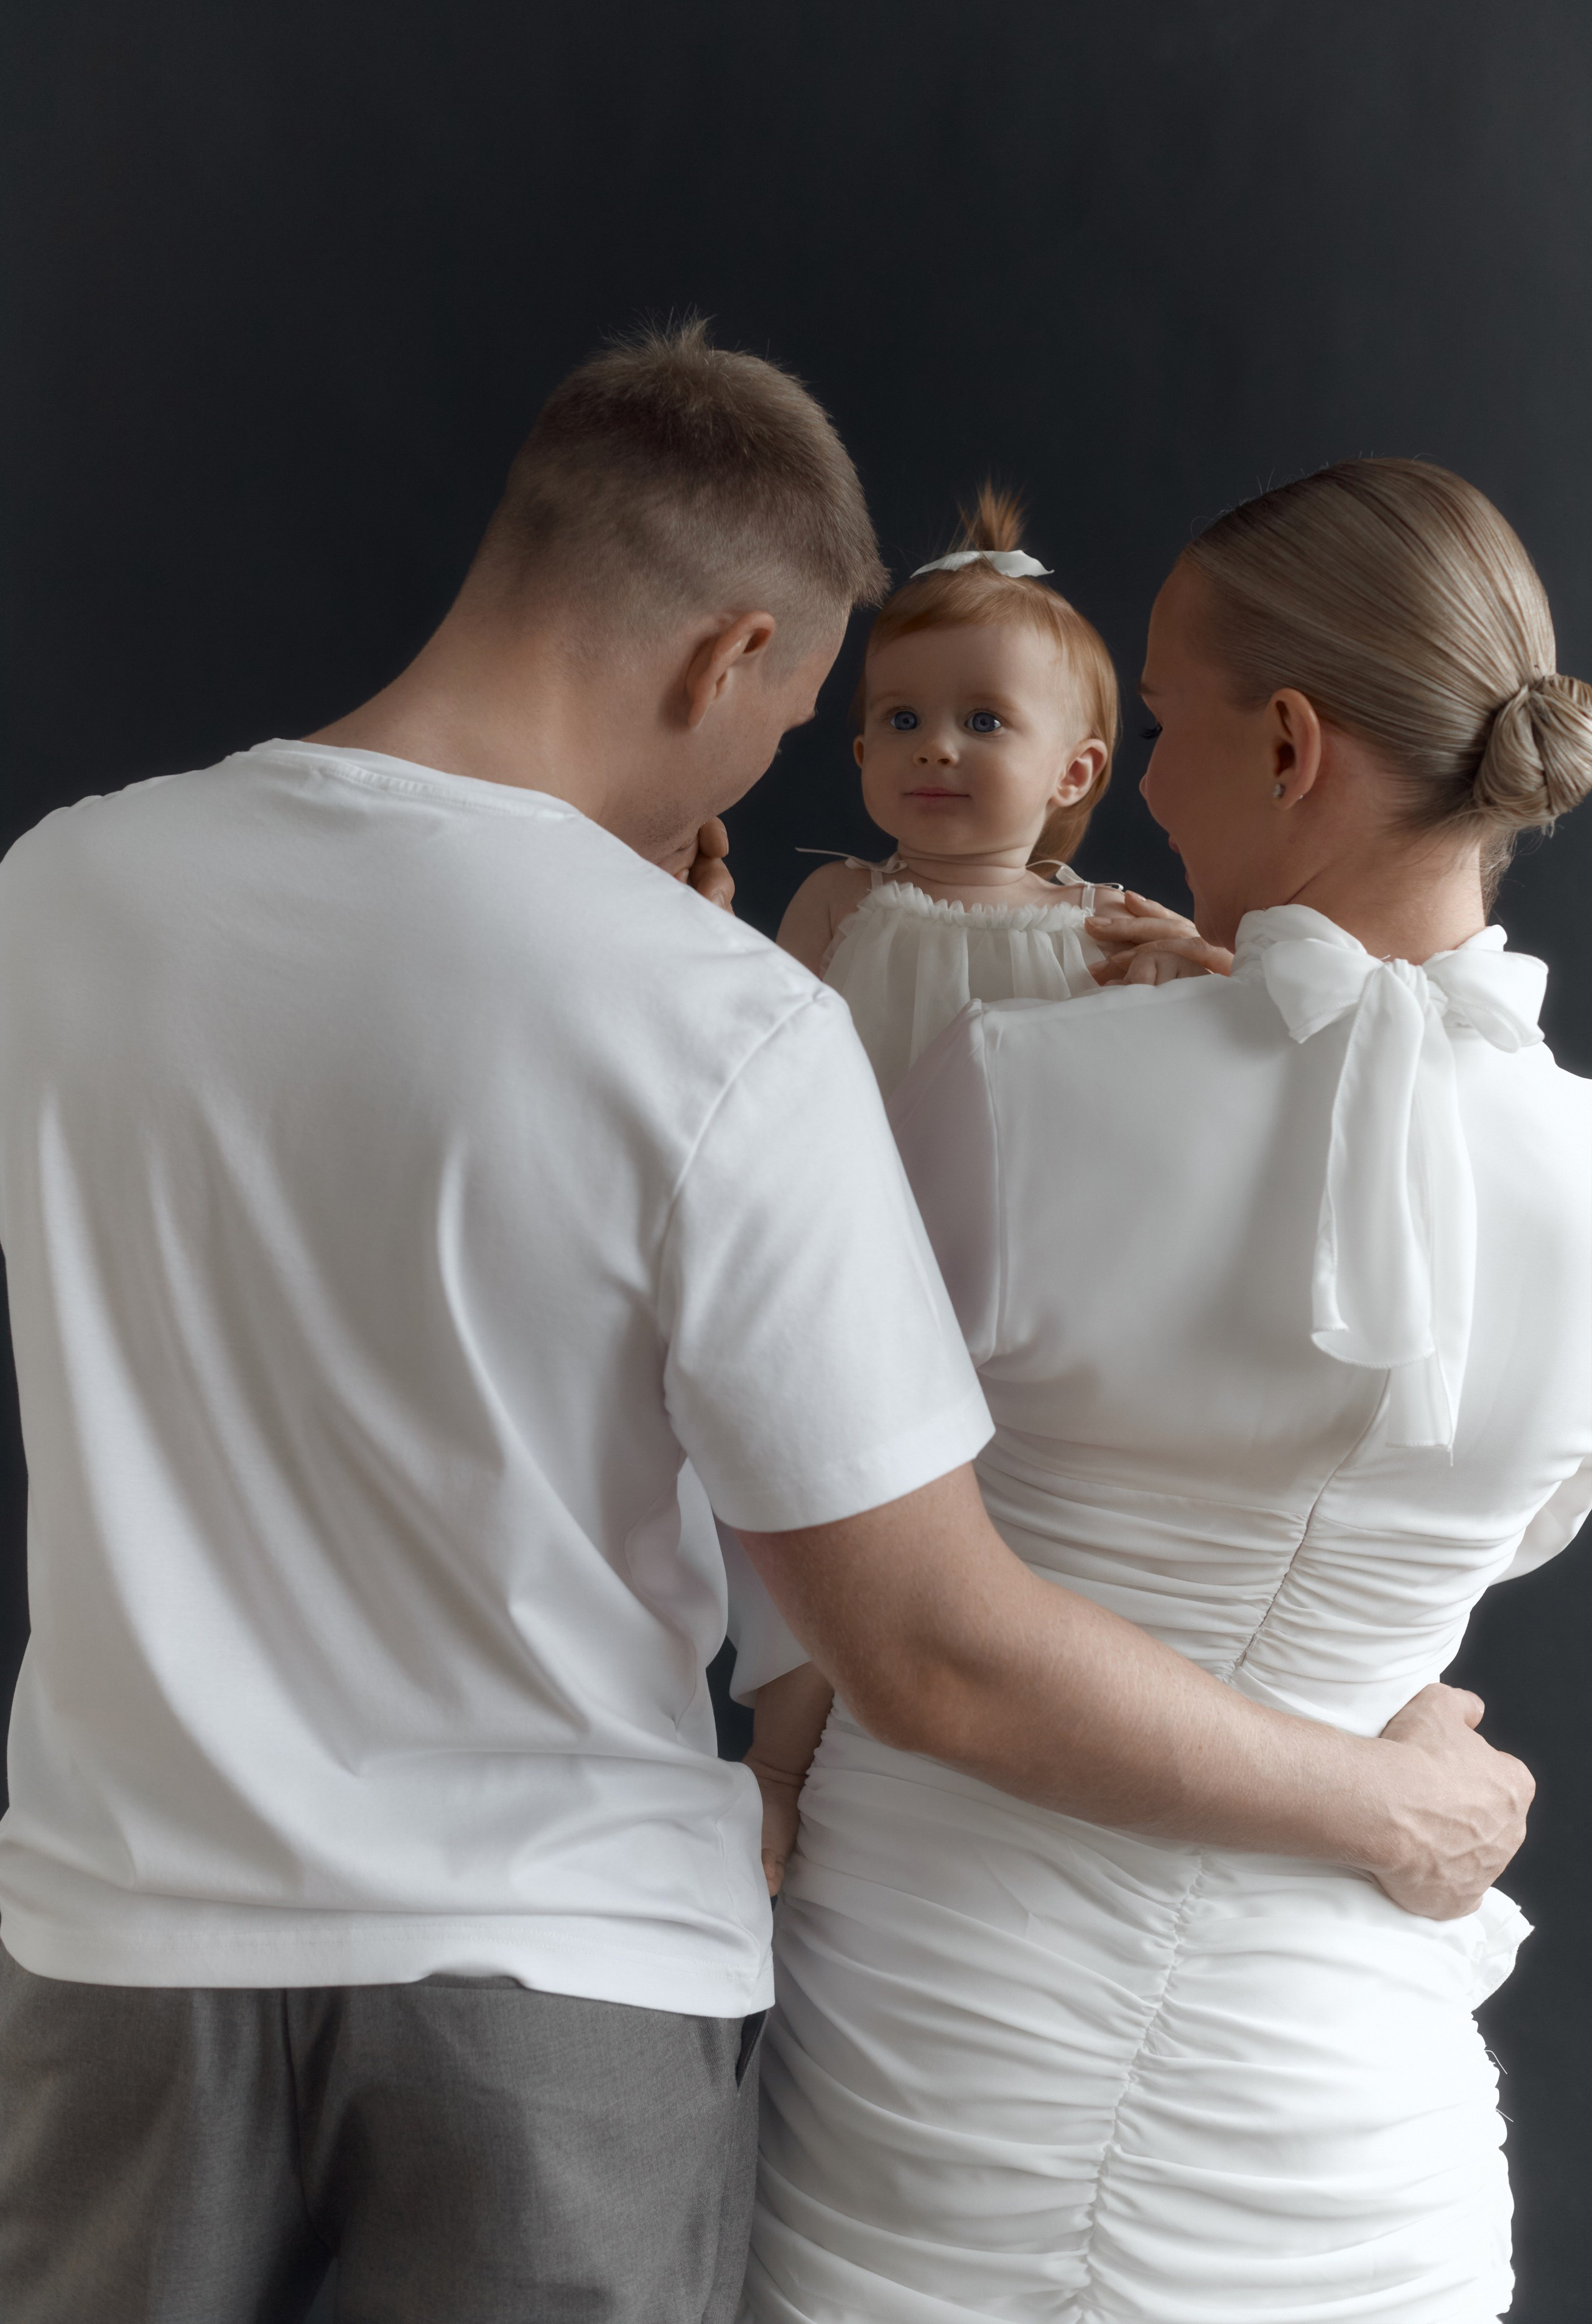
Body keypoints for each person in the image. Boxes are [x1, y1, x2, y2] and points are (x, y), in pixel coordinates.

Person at [0, 327, 1530, 2324]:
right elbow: (922, 1641)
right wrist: (1380, 1799)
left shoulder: (59, 888)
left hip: (111, 1938)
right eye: (808, 710)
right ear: (729, 659)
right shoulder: (719, 1019)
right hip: (561, 1983)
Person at [743, 458, 1592, 2324]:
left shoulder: (1021, 1091)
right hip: (1354, 2118)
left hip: (946, 2059)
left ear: (1287, 744)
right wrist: (1388, 1789)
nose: (1135, 772)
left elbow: (853, 1571)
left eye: (1167, 711)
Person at [774, 485, 1218, 1104]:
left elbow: (1175, 1088)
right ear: (862, 755)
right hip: (861, 1192)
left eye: (983, 721)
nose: (933, 748)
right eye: (902, 720)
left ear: (1073, 774)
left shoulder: (1108, 925)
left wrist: (1195, 974)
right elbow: (767, 1058)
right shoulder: (836, 903)